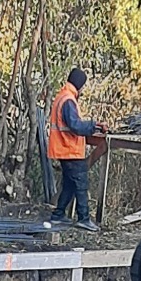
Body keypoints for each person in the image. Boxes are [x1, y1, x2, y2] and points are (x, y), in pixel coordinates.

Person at [46, 68, 106, 229]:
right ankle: (84, 218)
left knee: (69, 184)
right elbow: (75, 126)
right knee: (81, 184)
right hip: (69, 149)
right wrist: (93, 125)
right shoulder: (68, 100)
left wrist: (92, 126)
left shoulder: (62, 96)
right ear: (80, 84)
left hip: (63, 149)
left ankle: (58, 215)